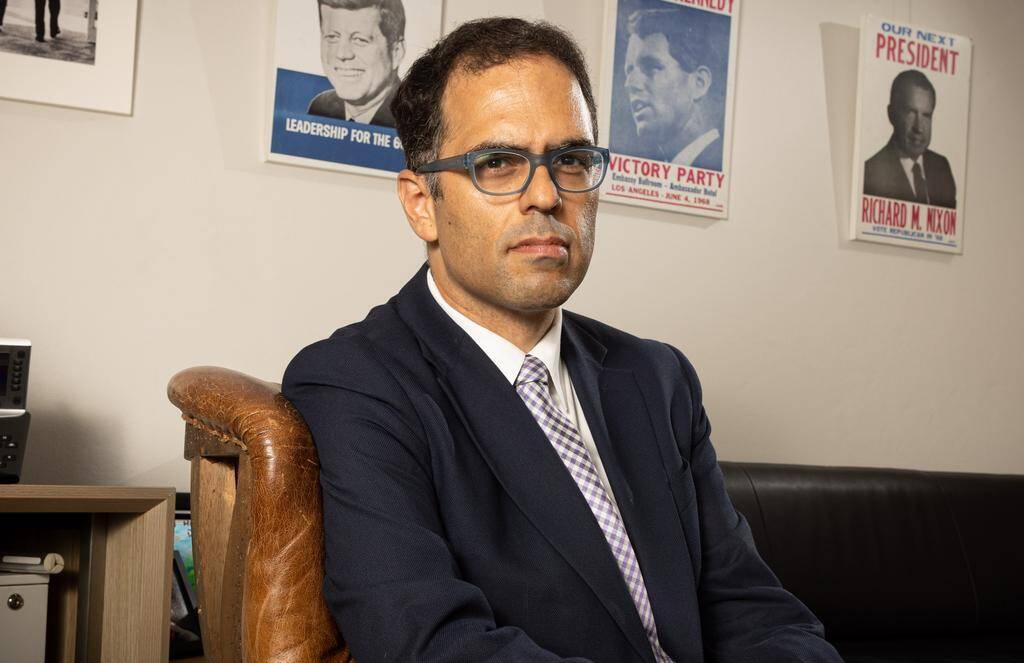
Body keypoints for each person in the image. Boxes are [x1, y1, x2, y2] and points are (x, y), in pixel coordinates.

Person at [284, 17, 843, 663]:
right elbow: (430, 643)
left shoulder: (657, 378)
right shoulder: (355, 382)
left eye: (571, 160)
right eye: (498, 163)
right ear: (421, 203)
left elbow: (757, 613)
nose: (547, 195)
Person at [622, 9, 726, 170]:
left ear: (699, 83)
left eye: (651, 67)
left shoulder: (720, 163)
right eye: (629, 71)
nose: (629, 83)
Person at [863, 69, 957, 209]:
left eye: (926, 115)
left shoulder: (942, 167)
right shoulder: (870, 174)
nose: (919, 128)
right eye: (910, 113)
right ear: (891, 114)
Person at [307, 0, 405, 128]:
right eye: (332, 37)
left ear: (396, 52)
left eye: (360, 39)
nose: (342, 54)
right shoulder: (320, 108)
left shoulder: (411, 119)